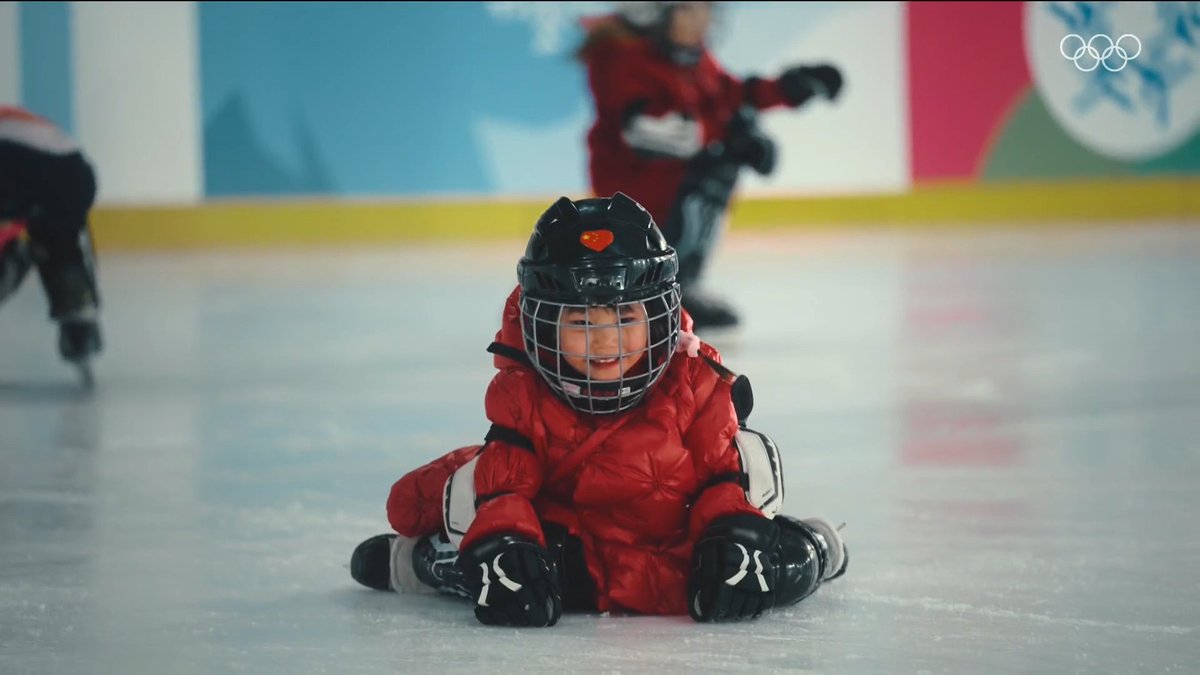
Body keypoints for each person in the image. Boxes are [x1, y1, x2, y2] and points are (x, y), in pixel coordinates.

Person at [348, 192, 847, 627]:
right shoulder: (526, 393)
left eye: (625, 316)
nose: (604, 339)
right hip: (574, 547)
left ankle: (820, 548)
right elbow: (506, 485)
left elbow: (723, 475)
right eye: (579, 321)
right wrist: (505, 542)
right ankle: (423, 562)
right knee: (516, 572)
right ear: (540, 326)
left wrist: (731, 533)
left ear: (660, 317)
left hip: (674, 543)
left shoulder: (695, 381)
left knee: (763, 567)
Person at [576, 1, 844, 330]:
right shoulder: (622, 58)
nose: (703, 20)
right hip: (633, 180)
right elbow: (651, 133)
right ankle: (662, 285)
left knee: (719, 164)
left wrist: (786, 89)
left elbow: (726, 94)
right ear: (653, 13)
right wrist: (730, 138)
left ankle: (681, 283)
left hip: (664, 178)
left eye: (706, 9)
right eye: (688, 9)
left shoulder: (686, 55)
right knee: (714, 166)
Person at [0, 105, 103, 378]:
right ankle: (78, 319)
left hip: (17, 168)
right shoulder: (13, 116)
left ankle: (12, 261)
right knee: (59, 240)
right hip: (75, 173)